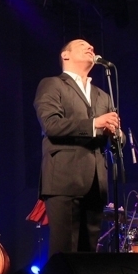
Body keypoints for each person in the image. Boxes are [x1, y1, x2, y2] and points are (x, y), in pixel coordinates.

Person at [33, 39, 122, 257]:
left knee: (88, 254)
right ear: (65, 55)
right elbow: (51, 125)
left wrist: (117, 134)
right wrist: (94, 124)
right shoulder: (52, 84)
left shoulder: (103, 95)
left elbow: (116, 138)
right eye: (83, 45)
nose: (90, 47)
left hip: (96, 181)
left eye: (92, 46)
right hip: (64, 178)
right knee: (65, 252)